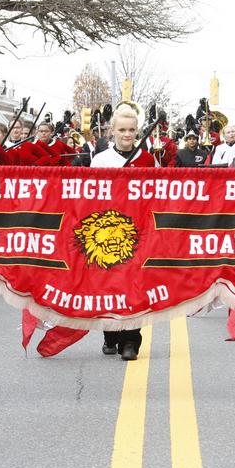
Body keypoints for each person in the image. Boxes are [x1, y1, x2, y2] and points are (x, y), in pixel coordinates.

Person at [90, 104, 155, 360]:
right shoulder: (101, 160)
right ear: (112, 131)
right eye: (122, 130)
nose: (127, 134)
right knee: (109, 284)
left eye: (131, 130)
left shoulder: (147, 161)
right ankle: (111, 333)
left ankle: (130, 340)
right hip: (107, 232)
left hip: (138, 232)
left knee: (134, 286)